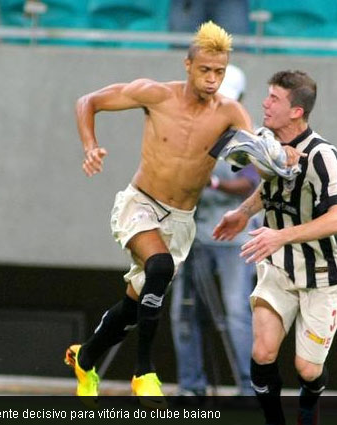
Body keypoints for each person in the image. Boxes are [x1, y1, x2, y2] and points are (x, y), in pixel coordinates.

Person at [64, 21, 260, 405]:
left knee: (135, 306)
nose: (212, 79)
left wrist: (269, 158)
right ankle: (144, 371)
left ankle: (85, 358)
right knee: (160, 268)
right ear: (187, 65)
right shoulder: (155, 94)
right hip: (139, 205)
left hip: (180, 221)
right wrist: (90, 146)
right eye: (205, 70)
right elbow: (88, 101)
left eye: (219, 72)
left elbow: (253, 161)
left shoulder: (231, 112)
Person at [213, 70, 337, 425]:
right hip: (279, 266)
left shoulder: (322, 154)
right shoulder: (268, 143)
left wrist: (279, 234)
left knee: (306, 369)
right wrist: (243, 212)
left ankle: (309, 405)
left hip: (324, 273)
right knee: (262, 351)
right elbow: (270, 185)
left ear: (296, 111)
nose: (265, 103)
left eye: (274, 99)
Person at [170, 64, 260, 397]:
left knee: (237, 313)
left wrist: (214, 182)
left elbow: (250, 183)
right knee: (183, 311)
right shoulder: (191, 133)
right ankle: (190, 387)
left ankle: (250, 389)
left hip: (233, 240)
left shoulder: (247, 136)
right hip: (194, 237)